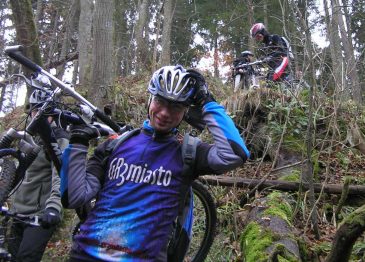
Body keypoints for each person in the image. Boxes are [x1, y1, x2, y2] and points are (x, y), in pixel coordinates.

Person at [60, 65, 249, 261]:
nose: (165, 112)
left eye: (176, 106)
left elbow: (235, 154)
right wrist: (78, 143)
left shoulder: (188, 151)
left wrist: (206, 101)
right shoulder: (114, 145)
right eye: (160, 101)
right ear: (150, 99)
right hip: (85, 255)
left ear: (186, 111)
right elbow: (72, 197)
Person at [8, 89, 69, 262]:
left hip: (41, 214)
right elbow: (17, 169)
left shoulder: (59, 138)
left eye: (43, 110)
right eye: (35, 110)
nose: (38, 114)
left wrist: (54, 207)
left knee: (26, 258)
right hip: (17, 211)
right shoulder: (27, 136)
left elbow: (61, 174)